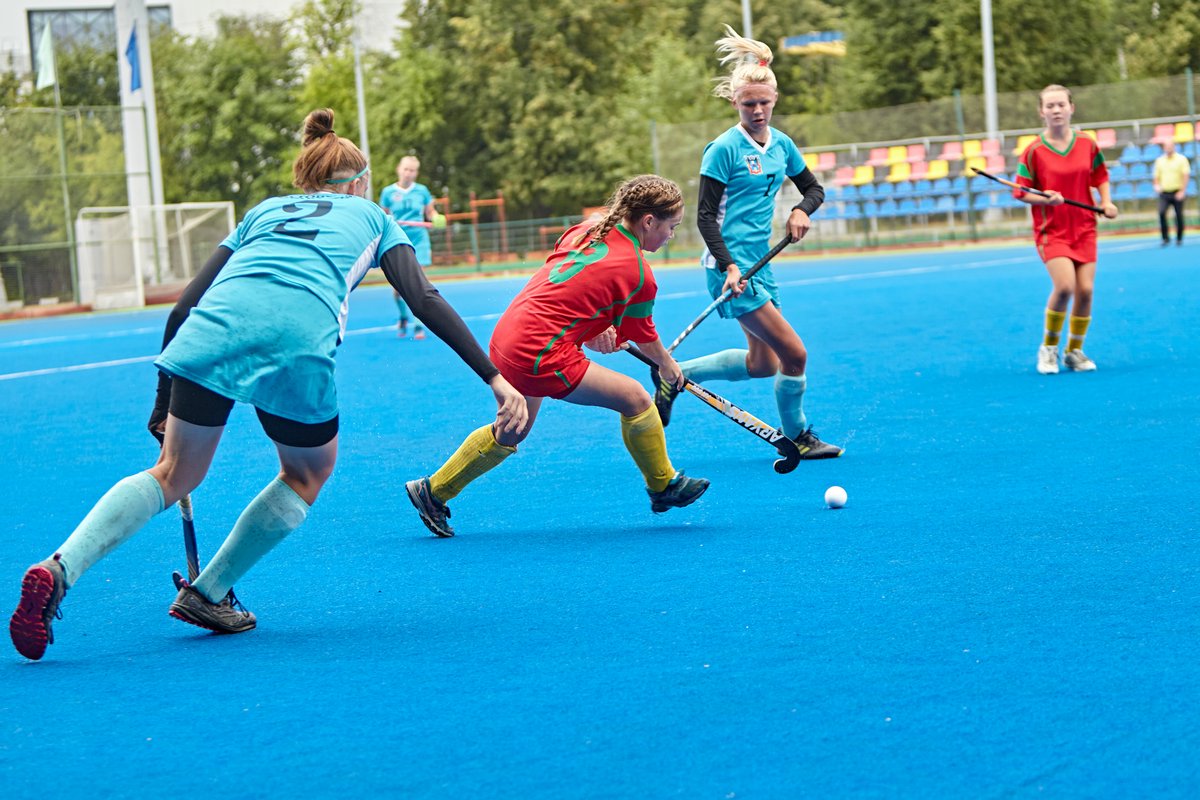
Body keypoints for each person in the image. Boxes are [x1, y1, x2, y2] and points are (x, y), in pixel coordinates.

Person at [8, 109, 527, 661]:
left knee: (173, 473)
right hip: (295, 342)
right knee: (306, 473)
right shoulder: (374, 217)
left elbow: (183, 307)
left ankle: (59, 567)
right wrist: (494, 378)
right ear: (358, 182)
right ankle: (209, 592)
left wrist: (163, 402)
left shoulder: (262, 211)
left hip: (208, 333)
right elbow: (422, 297)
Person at [405, 175, 709, 538]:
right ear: (648, 221)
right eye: (671, 227)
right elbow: (644, 335)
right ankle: (663, 486)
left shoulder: (588, 228)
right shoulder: (638, 273)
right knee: (637, 399)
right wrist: (668, 365)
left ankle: (432, 491)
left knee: (512, 431)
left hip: (509, 335)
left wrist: (594, 332)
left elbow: (570, 286)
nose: (671, 235)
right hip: (540, 352)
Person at [652, 25, 841, 460]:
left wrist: (801, 210)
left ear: (774, 100)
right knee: (795, 355)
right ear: (735, 103)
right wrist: (729, 266)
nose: (757, 111)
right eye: (748, 103)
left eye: (764, 103)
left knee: (763, 365)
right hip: (730, 269)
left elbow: (814, 189)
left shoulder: (782, 145)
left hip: (762, 264)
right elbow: (705, 217)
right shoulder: (723, 149)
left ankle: (672, 374)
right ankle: (798, 436)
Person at [1014, 85, 1119, 375]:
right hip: (1052, 230)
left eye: (1061, 104)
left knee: (1085, 290)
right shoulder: (1033, 151)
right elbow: (1021, 192)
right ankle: (1048, 349)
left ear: (1072, 108)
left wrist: (1106, 202)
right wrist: (1045, 198)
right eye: (1050, 106)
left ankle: (1074, 351)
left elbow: (1100, 175)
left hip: (1084, 226)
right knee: (1064, 287)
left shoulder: (1087, 143)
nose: (1056, 110)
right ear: (1041, 112)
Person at [379, 155, 437, 339]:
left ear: (416, 173)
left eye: (412, 170)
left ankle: (418, 325)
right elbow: (383, 217)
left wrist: (436, 217)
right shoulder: (388, 192)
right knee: (398, 289)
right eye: (406, 169)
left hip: (419, 239)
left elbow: (430, 212)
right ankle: (403, 316)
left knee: (419, 284)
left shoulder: (422, 191)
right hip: (398, 240)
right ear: (399, 169)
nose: (408, 173)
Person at [1153, 138, 1189, 247]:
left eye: (1170, 146)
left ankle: (1179, 238)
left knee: (1178, 215)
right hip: (1164, 193)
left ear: (1174, 147)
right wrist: (1156, 185)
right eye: (1166, 147)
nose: (1168, 148)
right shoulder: (1160, 161)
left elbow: (1185, 175)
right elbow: (1156, 176)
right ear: (1164, 148)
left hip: (1177, 192)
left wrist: (1182, 191)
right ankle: (1165, 238)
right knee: (1161, 213)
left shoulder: (1181, 159)